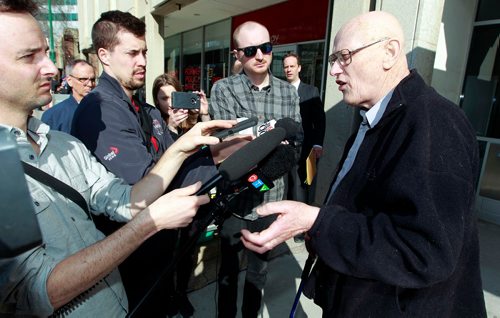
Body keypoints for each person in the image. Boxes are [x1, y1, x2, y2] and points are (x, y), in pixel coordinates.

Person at [240, 11, 487, 318]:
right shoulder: (375, 117)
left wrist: (317, 222)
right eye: (333, 59)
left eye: (344, 57)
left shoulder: (433, 121)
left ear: (390, 52)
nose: (333, 71)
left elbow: (425, 250)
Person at [0, 1, 236, 316]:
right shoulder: (4, 165)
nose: (52, 68)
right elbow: (36, 290)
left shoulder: (64, 145)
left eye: (45, 52)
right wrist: (149, 224)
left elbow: (125, 199)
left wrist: (183, 146)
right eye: (30, 56)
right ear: (105, 55)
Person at [71, 11, 245, 317]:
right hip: (130, 260)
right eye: (132, 53)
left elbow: (180, 162)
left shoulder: (147, 111)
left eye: (145, 52)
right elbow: (144, 187)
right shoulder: (98, 110)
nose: (142, 61)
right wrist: (220, 160)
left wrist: (230, 148)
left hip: (162, 249)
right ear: (104, 55)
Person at [209, 21, 302, 318]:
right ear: (238, 54)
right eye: (251, 50)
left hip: (269, 195)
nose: (260, 55)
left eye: (266, 47)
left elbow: (292, 147)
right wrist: (272, 134)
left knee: (259, 272)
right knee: (228, 273)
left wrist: (253, 137)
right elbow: (223, 150)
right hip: (234, 200)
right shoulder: (223, 89)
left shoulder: (288, 93)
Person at [282, 52, 325, 204]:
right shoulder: (279, 92)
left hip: (307, 149)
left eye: (292, 66)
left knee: (304, 187)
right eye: (286, 67)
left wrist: (318, 144)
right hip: (285, 148)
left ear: (299, 68)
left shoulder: (311, 91)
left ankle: (302, 225)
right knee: (286, 188)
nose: (289, 70)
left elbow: (320, 120)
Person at [41, 59, 96, 133]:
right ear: (70, 81)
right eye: (83, 79)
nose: (90, 84)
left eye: (92, 80)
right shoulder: (54, 115)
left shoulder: (104, 110)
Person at [152, 73, 211, 140]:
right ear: (156, 100)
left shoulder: (191, 116)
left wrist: (204, 114)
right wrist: (171, 128)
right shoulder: (153, 121)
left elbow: (209, 140)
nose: (170, 103)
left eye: (174, 97)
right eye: (165, 98)